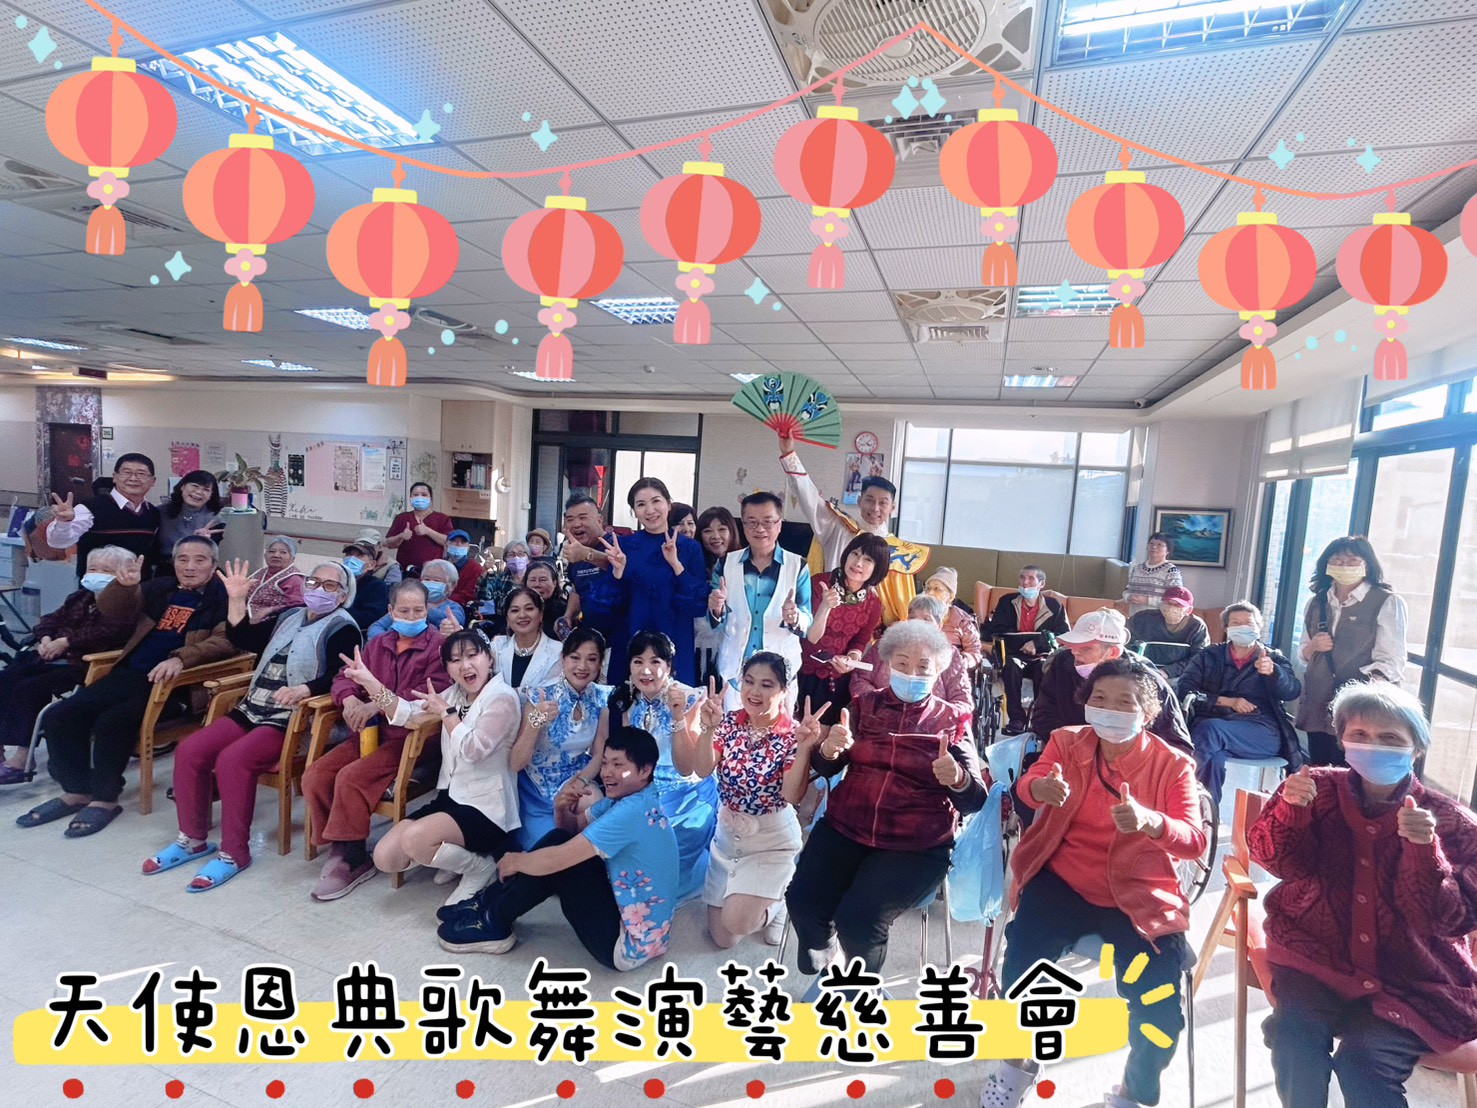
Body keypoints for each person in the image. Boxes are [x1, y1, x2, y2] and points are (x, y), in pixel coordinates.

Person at [983, 656, 1205, 1108]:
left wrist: (1152, 822)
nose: (1109, 709)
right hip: (1061, 881)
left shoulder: (1172, 765)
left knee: (1160, 1005)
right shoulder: (1067, 741)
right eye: (1100, 699)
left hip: (1139, 896)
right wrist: (1038, 790)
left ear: (1147, 713)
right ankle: (1017, 1062)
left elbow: (1194, 840)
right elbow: (1031, 782)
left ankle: (1134, 1091)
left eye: (1125, 702)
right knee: (1021, 972)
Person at [1250, 682, 1477, 1108]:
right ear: (1342, 741)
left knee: (1364, 1063)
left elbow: (1451, 920)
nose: (1373, 746)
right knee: (1294, 1036)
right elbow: (1280, 864)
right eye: (1360, 735)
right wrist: (1290, 813)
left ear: (1416, 748)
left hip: (1412, 976)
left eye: (1390, 738)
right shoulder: (1311, 788)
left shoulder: (1455, 823)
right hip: (1316, 954)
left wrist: (1423, 852)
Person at [141, 558, 360, 891]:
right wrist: (236, 599)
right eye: (314, 582)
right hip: (253, 706)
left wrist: (305, 689)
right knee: (190, 750)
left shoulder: (343, 627)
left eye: (330, 586)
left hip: (293, 718)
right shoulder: (290, 616)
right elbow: (245, 638)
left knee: (234, 760)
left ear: (343, 595)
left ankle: (235, 853)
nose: (319, 590)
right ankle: (192, 839)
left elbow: (342, 675)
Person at [787, 619, 987, 974]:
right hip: (845, 826)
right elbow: (827, 767)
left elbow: (975, 799)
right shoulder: (864, 706)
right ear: (887, 664)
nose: (912, 673)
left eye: (923, 667)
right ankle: (826, 955)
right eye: (902, 663)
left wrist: (957, 778)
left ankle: (860, 986)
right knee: (802, 900)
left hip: (915, 844)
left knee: (859, 919)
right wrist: (829, 750)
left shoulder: (953, 720)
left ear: (939, 670)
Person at [16, 536, 232, 838]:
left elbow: (225, 641)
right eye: (182, 559)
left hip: (176, 686)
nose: (190, 566)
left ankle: (105, 799)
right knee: (60, 715)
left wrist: (181, 658)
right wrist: (125, 588)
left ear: (213, 564)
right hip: (130, 673)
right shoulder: (160, 588)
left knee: (112, 721)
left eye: (200, 560)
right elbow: (115, 614)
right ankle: (76, 790)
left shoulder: (223, 596)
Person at [436, 725, 679, 970]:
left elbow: (558, 859)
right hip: (634, 922)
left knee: (558, 860)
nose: (607, 773)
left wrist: (516, 860)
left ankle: (493, 921)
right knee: (558, 839)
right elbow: (571, 831)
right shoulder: (633, 798)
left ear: (645, 770)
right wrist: (561, 809)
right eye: (605, 763)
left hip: (626, 946)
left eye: (618, 765)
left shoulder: (631, 813)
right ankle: (486, 905)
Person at [304, 578, 449, 900]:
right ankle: (340, 842)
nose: (411, 617)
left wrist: (377, 704)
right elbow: (346, 677)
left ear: (428, 610)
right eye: (404, 611)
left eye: (418, 611)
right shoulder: (378, 644)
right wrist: (349, 700)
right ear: (390, 611)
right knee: (316, 774)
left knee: (351, 778)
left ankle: (354, 857)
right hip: (371, 732)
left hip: (411, 737)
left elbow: (428, 696)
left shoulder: (439, 647)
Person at [366, 629, 523, 906]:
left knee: (415, 840)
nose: (465, 665)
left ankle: (479, 868)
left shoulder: (502, 698)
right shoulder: (456, 694)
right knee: (385, 856)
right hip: (451, 797)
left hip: (487, 808)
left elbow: (474, 750)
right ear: (448, 668)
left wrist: (447, 714)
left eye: (473, 655)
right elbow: (406, 712)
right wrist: (371, 684)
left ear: (489, 658)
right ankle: (457, 856)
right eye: (455, 660)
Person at [677, 654, 815, 949]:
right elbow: (702, 769)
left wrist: (804, 749)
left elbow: (792, 796)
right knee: (724, 939)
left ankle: (781, 901)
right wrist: (708, 729)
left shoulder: (793, 733)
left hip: (770, 841)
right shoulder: (729, 722)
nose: (754, 691)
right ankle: (755, 900)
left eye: (767, 685)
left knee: (738, 921)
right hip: (728, 838)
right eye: (749, 681)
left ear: (784, 691)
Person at [0, 546, 143, 785]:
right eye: (93, 568)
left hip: (85, 662)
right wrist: (46, 639)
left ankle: (23, 757)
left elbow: (109, 632)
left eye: (106, 570)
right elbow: (51, 619)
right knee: (5, 679)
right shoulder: (80, 597)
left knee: (30, 688)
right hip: (54, 656)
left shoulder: (129, 603)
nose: (97, 573)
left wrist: (65, 642)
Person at [609, 630, 718, 901]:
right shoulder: (628, 698)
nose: (645, 670)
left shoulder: (690, 698)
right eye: (638, 661)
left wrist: (677, 716)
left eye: (655, 662)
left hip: (685, 794)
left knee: (660, 841)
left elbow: (686, 768)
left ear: (669, 667)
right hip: (643, 788)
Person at [778, 432, 929, 625]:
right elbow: (809, 497)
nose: (875, 508)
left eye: (883, 503)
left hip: (875, 632)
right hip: (828, 621)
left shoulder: (901, 553)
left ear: (893, 508)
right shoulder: (839, 529)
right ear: (859, 501)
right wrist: (789, 454)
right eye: (869, 500)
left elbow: (902, 605)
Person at [1296, 536, 1409, 767]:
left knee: (1353, 768)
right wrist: (1313, 646)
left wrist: (1370, 700)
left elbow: (1392, 660)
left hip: (1359, 706)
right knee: (1319, 767)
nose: (1343, 565)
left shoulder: (1386, 602)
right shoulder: (1316, 603)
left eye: (1352, 560)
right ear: (1326, 564)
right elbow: (1303, 656)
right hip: (1318, 699)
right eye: (1337, 560)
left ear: (1367, 564)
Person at [1178, 601, 1303, 806]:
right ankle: (1204, 813)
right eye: (1236, 623)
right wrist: (1228, 702)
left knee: (1210, 730)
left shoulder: (1272, 658)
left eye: (1248, 623)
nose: (1242, 627)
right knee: (1214, 757)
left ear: (1259, 627)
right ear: (1227, 628)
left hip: (1261, 731)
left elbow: (1292, 691)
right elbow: (1185, 689)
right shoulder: (1209, 656)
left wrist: (1274, 673)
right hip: (1216, 726)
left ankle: (1177, 786)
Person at [1028, 608, 1191, 753]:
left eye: (1086, 647)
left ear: (1113, 652)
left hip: (1130, 765)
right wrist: (1072, 743)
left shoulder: (1147, 682)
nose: (1075, 652)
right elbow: (1042, 715)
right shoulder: (1063, 663)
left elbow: (1178, 745)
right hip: (1070, 755)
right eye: (1073, 645)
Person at [509, 628, 613, 848]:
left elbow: (599, 753)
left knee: (594, 812)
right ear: (563, 659)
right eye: (575, 657)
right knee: (548, 846)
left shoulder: (601, 698)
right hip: (537, 788)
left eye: (591, 659)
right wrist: (536, 723)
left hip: (578, 779)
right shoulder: (540, 695)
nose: (582, 666)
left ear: (600, 664)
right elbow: (516, 763)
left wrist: (580, 782)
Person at [600, 478, 710, 685]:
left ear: (669, 504)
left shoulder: (690, 548)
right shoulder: (623, 546)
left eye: (656, 501)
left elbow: (698, 605)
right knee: (627, 701)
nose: (650, 510)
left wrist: (676, 565)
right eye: (641, 504)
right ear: (634, 511)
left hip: (675, 642)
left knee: (674, 701)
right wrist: (617, 573)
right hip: (630, 641)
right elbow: (607, 607)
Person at [709, 492, 812, 710]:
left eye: (767, 522)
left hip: (780, 675)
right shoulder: (726, 564)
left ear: (779, 524)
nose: (760, 529)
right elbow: (715, 620)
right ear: (743, 525)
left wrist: (795, 617)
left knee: (777, 730)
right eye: (752, 522)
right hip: (735, 674)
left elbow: (807, 619)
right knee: (732, 730)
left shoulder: (798, 566)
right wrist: (716, 608)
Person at [799, 532, 888, 732]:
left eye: (868, 560)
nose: (858, 563)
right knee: (799, 733)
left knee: (829, 735)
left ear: (877, 568)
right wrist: (825, 606)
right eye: (855, 554)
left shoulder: (873, 603)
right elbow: (811, 637)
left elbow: (860, 641)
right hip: (803, 672)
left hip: (838, 679)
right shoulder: (819, 584)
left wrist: (851, 660)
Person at [851, 594, 973, 716]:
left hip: (928, 722)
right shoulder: (888, 644)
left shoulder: (949, 653)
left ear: (939, 625)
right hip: (880, 717)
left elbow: (962, 701)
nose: (918, 623)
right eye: (913, 618)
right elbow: (860, 679)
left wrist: (933, 715)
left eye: (926, 619)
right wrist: (878, 704)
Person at [986, 565, 1071, 735]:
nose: (1025, 582)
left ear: (1041, 584)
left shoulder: (1054, 606)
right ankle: (1016, 719)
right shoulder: (1007, 601)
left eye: (1031, 578)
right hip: (1013, 654)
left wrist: (1036, 644)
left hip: (1042, 655)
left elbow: (1063, 635)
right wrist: (1022, 644)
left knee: (1043, 669)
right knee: (1011, 666)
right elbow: (996, 629)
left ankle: (1039, 719)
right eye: (1022, 577)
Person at [46, 452, 162, 576]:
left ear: (153, 481)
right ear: (115, 477)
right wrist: (63, 522)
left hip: (139, 584)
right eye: (127, 472)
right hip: (98, 584)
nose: (133, 478)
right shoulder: (90, 508)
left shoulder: (153, 513)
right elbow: (57, 542)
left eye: (141, 474)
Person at [558, 495, 625, 652]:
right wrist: (568, 616)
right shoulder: (575, 550)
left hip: (621, 639)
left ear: (600, 520)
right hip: (591, 641)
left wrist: (587, 554)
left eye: (583, 517)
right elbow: (577, 589)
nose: (576, 524)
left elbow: (619, 564)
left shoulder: (617, 544)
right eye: (570, 519)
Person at [692, 505, 741, 683]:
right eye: (707, 531)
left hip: (735, 646)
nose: (715, 536)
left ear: (732, 532)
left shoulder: (743, 564)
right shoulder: (693, 567)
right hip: (699, 647)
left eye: (722, 529)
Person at [367, 557, 464, 639]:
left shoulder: (454, 608)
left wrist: (426, 608)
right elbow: (376, 627)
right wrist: (387, 641)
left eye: (436, 580)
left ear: (451, 585)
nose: (430, 583)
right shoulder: (406, 603)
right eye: (427, 579)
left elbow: (452, 623)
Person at [1126, 585, 1208, 680]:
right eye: (1168, 603)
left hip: (1179, 677)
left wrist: (1168, 672)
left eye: (1178, 605)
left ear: (1188, 610)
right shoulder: (1142, 619)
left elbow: (1198, 659)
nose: (1171, 608)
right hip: (1143, 674)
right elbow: (1125, 646)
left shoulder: (1197, 626)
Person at [490, 588, 562, 689]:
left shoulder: (558, 651)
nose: (522, 615)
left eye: (529, 609)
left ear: (541, 614)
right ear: (507, 618)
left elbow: (551, 692)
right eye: (515, 610)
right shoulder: (497, 646)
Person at [155, 469, 224, 574]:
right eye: (195, 486)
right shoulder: (160, 512)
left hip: (198, 569)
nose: (199, 492)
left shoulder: (215, 520)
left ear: (211, 495)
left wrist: (203, 542)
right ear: (182, 486)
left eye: (206, 490)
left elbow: (211, 555)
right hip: (165, 568)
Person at [384, 482, 453, 576]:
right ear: (410, 498)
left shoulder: (442, 518)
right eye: (416, 495)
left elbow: (449, 542)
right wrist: (401, 536)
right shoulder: (402, 518)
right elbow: (389, 544)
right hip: (405, 570)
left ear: (430, 498)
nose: (420, 498)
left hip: (432, 572)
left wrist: (428, 531)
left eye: (424, 495)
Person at [922, 567, 984, 669]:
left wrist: (959, 664)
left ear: (950, 596)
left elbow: (974, 653)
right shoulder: (918, 615)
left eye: (937, 589)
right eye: (928, 588)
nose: (930, 593)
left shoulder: (963, 621)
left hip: (953, 671)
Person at [244, 535, 305, 624]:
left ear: (292, 558)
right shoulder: (261, 572)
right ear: (265, 555)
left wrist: (270, 610)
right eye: (272, 551)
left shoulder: (294, 579)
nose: (276, 555)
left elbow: (298, 606)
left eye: (283, 552)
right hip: (245, 616)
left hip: (271, 623)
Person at [474, 539, 529, 635]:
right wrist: (485, 570)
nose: (516, 558)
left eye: (520, 554)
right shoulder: (499, 579)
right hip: (503, 625)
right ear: (505, 559)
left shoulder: (533, 579)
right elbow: (482, 594)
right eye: (511, 555)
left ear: (528, 558)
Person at [1124, 532, 1184, 617]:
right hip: (1134, 617)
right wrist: (1128, 597)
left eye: (1159, 545)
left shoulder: (1171, 571)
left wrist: (1147, 600)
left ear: (1168, 550)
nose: (1154, 547)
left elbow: (1175, 600)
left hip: (1158, 619)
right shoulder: (1137, 568)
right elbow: (1127, 590)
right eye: (1151, 544)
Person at [342, 537, 390, 631]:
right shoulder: (337, 582)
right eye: (349, 554)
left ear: (371, 565)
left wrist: (338, 615)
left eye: (360, 556)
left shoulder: (377, 587)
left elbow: (371, 617)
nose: (352, 559)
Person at [523, 559, 569, 639]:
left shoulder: (565, 611)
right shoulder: (518, 608)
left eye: (543, 580)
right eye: (532, 580)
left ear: (554, 583)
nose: (537, 585)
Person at [445, 529, 482, 607]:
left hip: (460, 608)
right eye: (454, 541)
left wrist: (444, 599)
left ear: (468, 547)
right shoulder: (438, 565)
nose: (458, 544)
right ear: (446, 545)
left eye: (463, 542)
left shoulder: (474, 568)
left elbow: (469, 595)